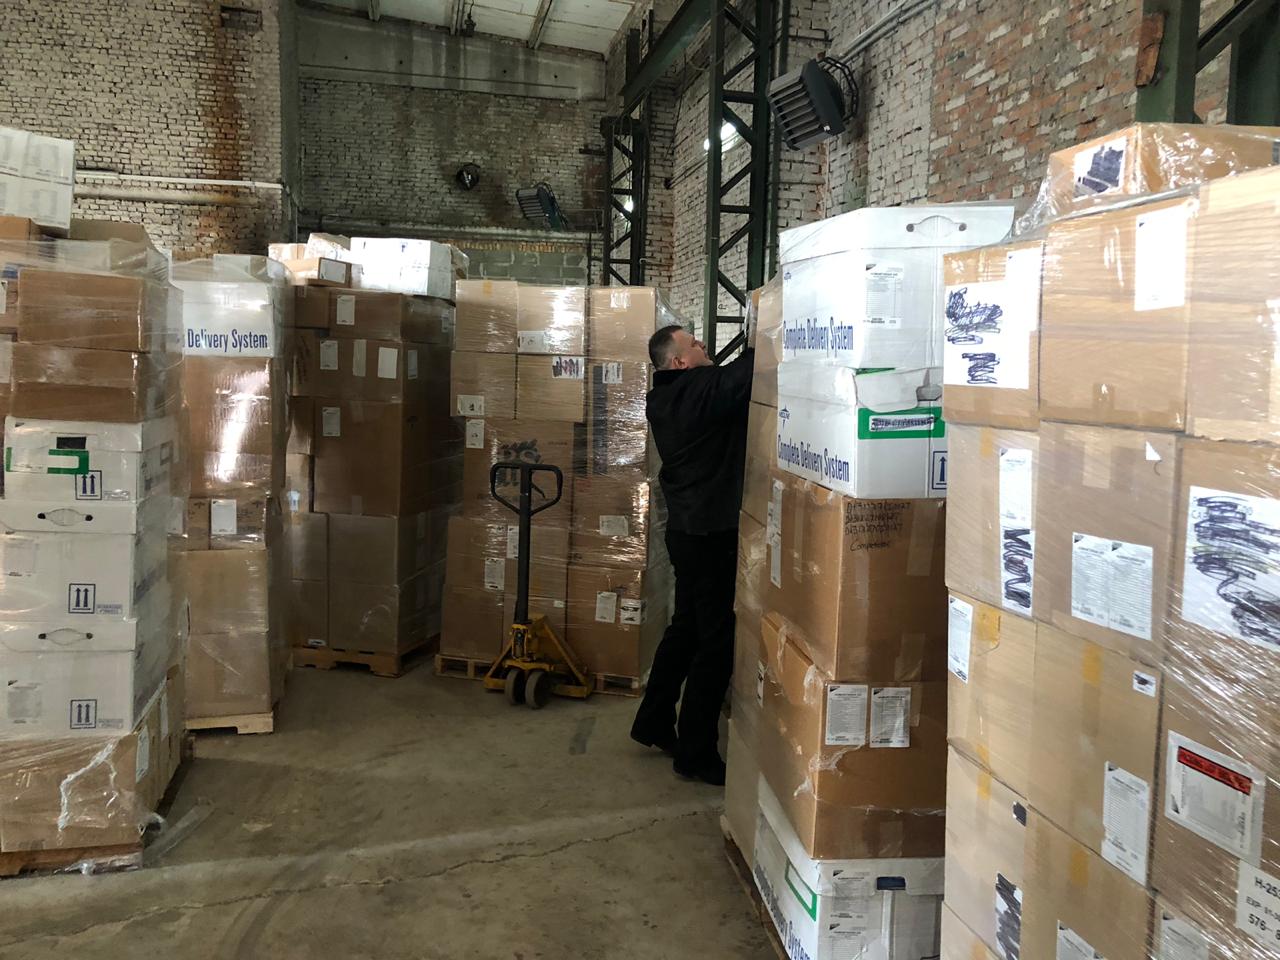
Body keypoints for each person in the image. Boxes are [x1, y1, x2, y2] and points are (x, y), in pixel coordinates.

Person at [630, 323, 755, 786]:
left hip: (687, 532)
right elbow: (747, 372)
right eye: (695, 343)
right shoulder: (696, 390)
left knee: (686, 628)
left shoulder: (664, 396)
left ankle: (653, 720)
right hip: (709, 536)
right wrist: (766, 330)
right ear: (680, 361)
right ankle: (696, 753)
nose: (703, 345)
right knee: (715, 643)